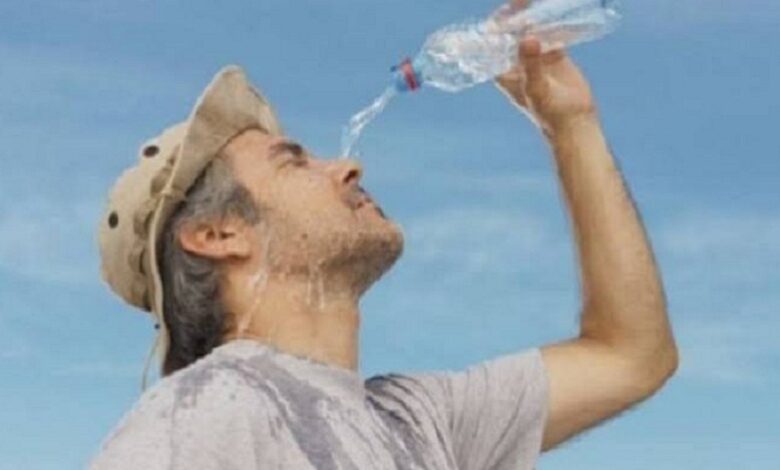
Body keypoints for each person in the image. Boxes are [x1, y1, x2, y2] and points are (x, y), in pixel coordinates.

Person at [91, 32, 679, 470]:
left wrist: (571, 124)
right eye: (292, 160)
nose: (349, 167)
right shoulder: (206, 412)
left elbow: (632, 355)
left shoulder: (419, 419)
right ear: (219, 235)